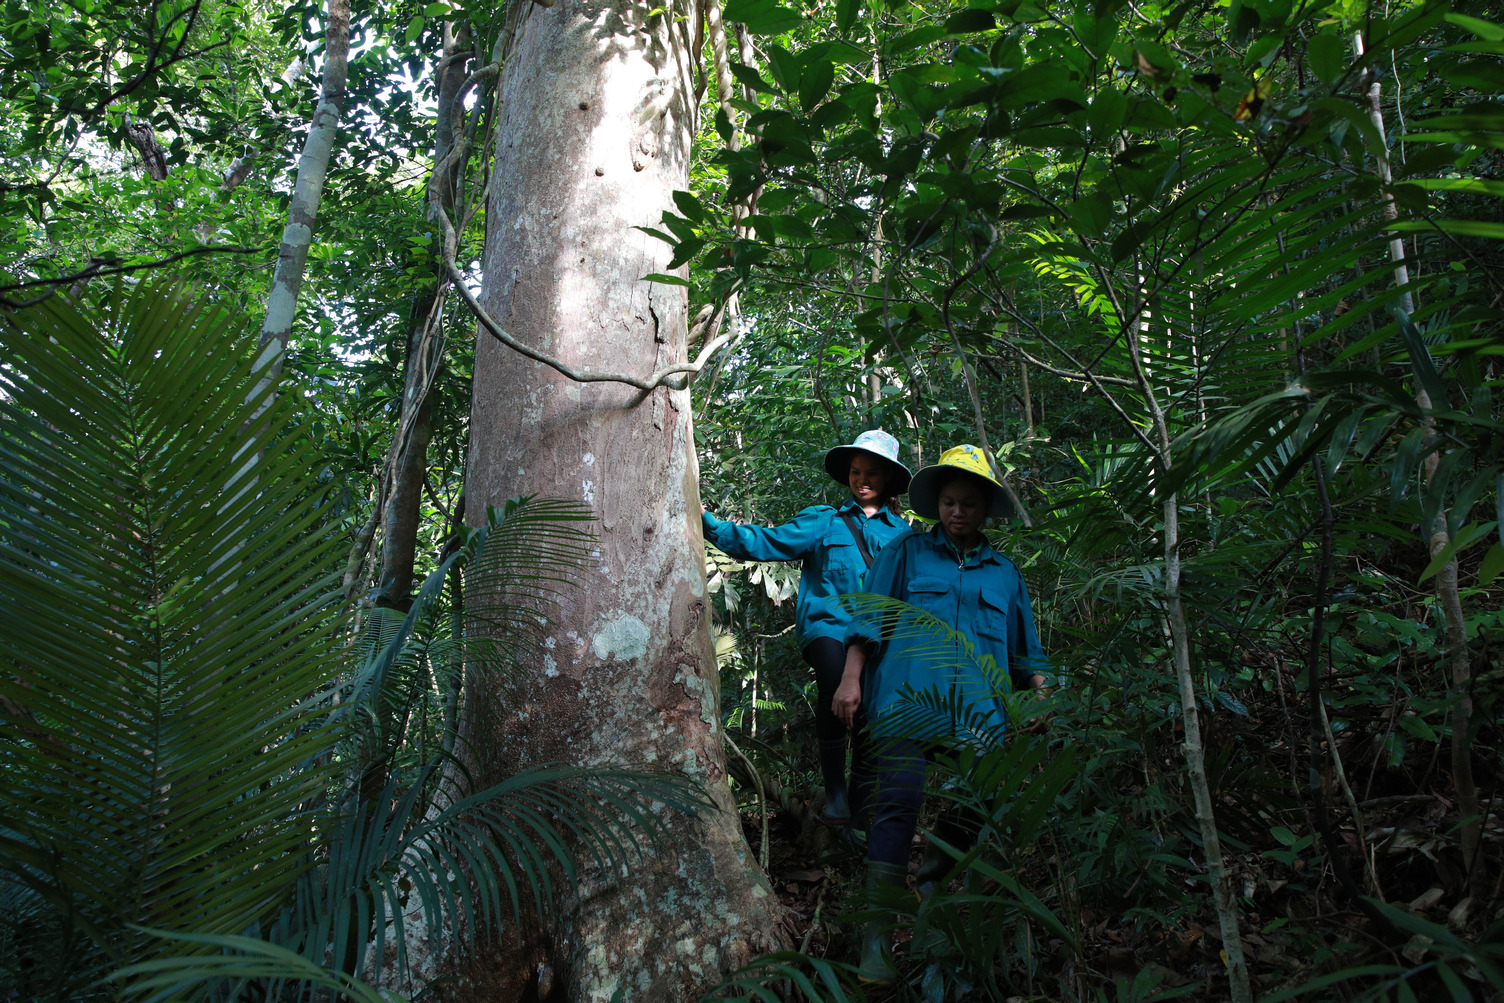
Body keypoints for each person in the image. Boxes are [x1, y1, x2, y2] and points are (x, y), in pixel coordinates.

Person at [833, 444, 1049, 982]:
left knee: (971, 812)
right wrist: (851, 679)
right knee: (896, 809)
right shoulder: (905, 552)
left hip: (980, 716)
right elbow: (869, 620)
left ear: (983, 508)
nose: (958, 512)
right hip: (907, 704)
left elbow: (1027, 653)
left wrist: (1044, 693)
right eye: (950, 502)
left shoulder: (1005, 573)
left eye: (968, 503)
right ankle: (877, 938)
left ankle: (931, 903)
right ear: (938, 505)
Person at [701, 429, 911, 826]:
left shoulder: (902, 536)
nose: (862, 479)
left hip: (879, 636)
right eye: (855, 471)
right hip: (828, 628)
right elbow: (766, 543)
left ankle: (861, 807)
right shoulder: (824, 522)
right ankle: (835, 793)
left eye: (871, 473)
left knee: (871, 708)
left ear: (888, 479)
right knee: (835, 685)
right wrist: (710, 525)